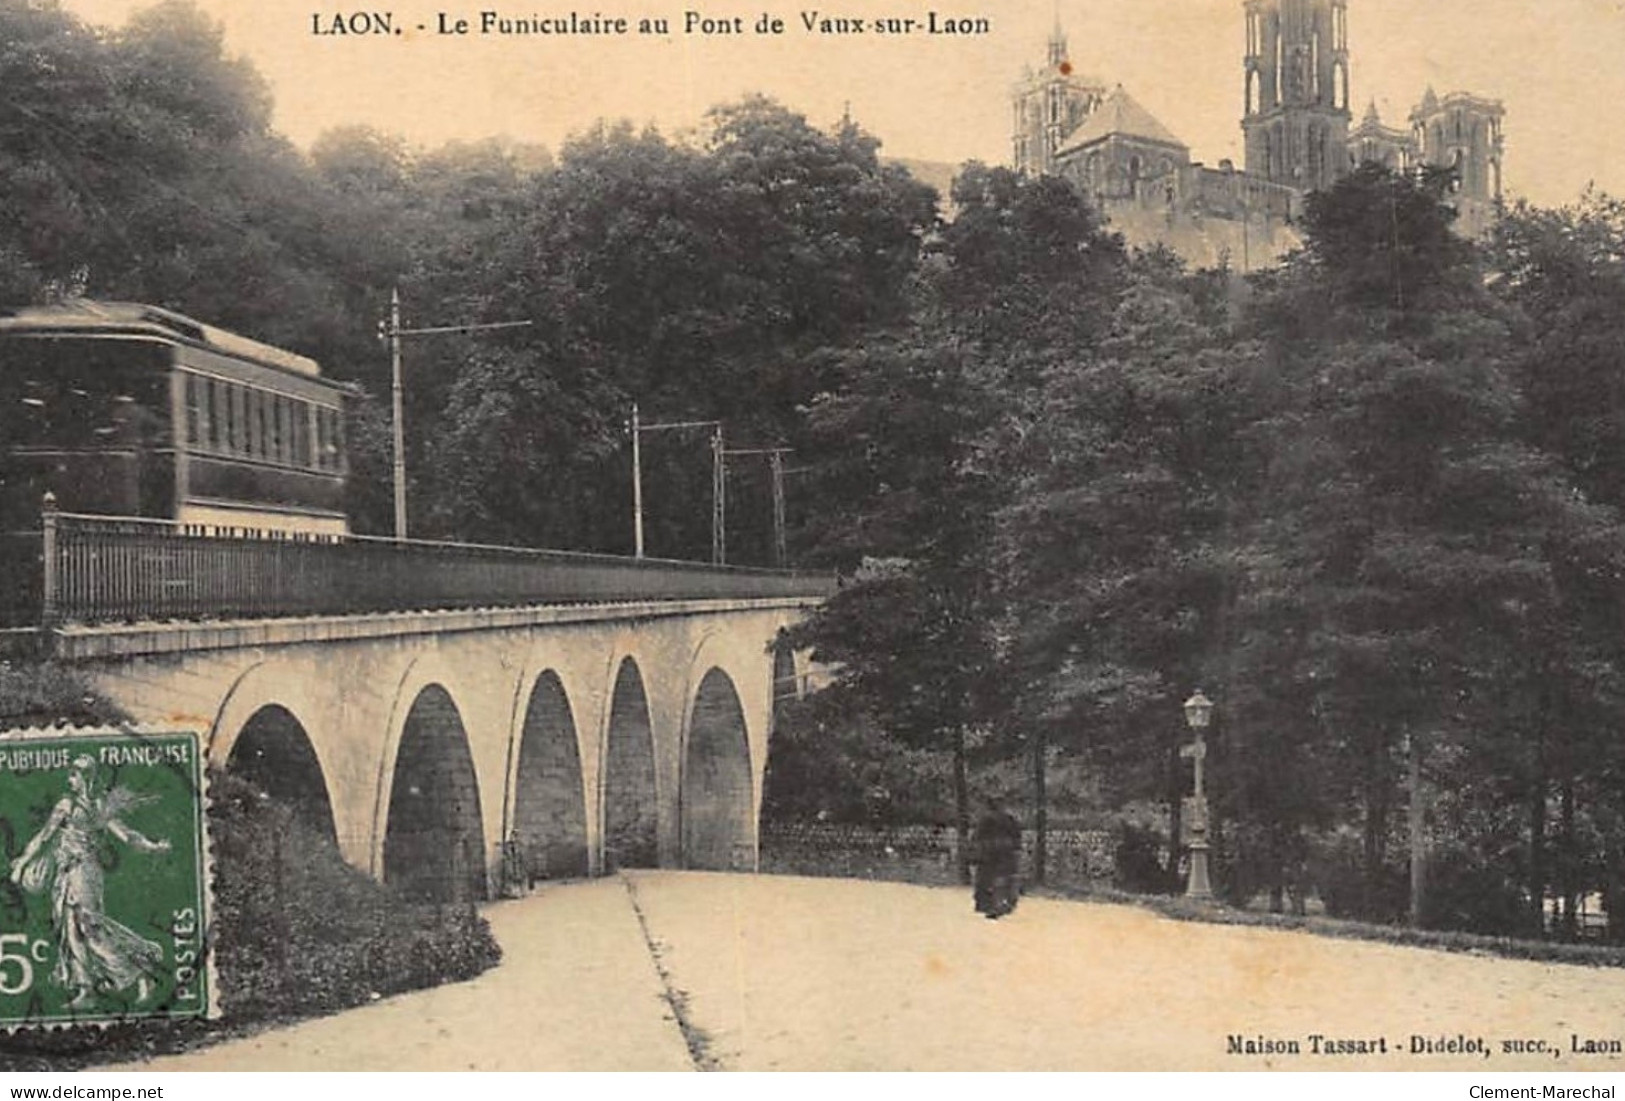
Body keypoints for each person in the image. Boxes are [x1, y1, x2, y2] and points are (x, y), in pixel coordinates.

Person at [9, 756, 171, 1009]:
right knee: (71, 928)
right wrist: (22, 862)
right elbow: (43, 837)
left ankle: (139, 969)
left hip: (84, 872)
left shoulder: (94, 806)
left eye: (74, 775)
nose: (70, 779)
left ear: (86, 777)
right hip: (67, 872)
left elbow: (127, 835)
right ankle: (86, 990)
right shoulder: (71, 804)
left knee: (89, 926)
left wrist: (153, 846)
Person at [971, 796, 1023, 919]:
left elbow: (978, 836)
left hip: (990, 852)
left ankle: (990, 905)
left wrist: (977, 850)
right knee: (1004, 878)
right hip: (1007, 852)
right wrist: (1016, 849)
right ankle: (1005, 903)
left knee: (988, 879)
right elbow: (1017, 836)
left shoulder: (986, 819)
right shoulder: (1010, 819)